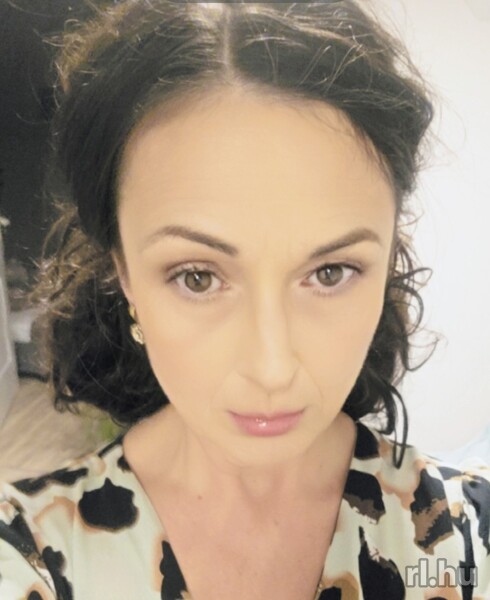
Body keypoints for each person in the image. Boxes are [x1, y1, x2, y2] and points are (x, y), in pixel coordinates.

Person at [0, 1, 488, 598]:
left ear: (387, 260)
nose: (271, 368)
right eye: (198, 278)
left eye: (331, 271)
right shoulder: (25, 554)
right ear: (123, 272)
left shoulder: (468, 539)